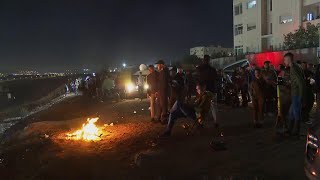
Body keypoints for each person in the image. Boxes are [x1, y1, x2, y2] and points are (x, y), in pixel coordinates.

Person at [284, 53, 306, 137]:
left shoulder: (293, 68)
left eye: (285, 60)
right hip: (295, 93)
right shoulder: (296, 67)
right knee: (291, 112)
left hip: (296, 94)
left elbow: (300, 82)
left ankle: (296, 131)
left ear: (289, 60)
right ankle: (290, 129)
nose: (284, 61)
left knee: (296, 113)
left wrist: (301, 96)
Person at [155, 60, 170, 124]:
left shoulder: (164, 72)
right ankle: (158, 118)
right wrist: (157, 91)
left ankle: (164, 119)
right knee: (158, 105)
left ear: (161, 65)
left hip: (163, 91)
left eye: (158, 65)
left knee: (163, 105)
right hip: (160, 91)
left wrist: (161, 91)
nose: (157, 66)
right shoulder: (161, 72)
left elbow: (163, 84)